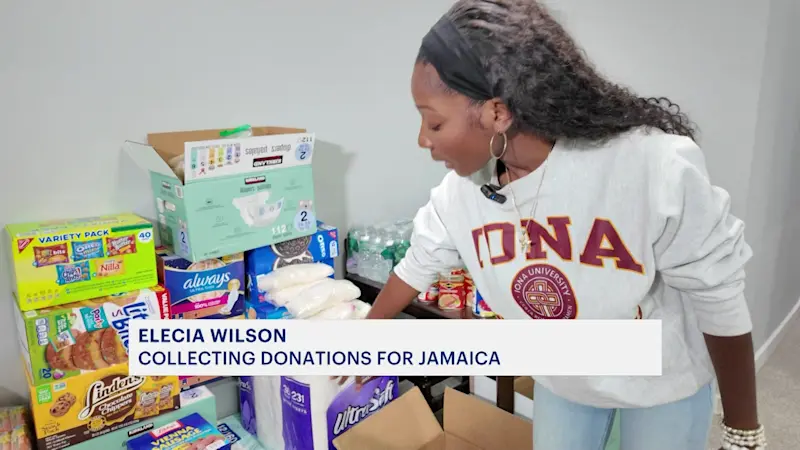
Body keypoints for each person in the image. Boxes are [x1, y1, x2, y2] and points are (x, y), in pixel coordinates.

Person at [362, 1, 765, 449]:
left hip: (660, 377)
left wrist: (743, 429)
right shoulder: (461, 196)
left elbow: (718, 297)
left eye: (434, 122)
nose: (423, 139)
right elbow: (417, 264)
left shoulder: (652, 169)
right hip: (565, 378)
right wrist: (365, 340)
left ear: (497, 113)